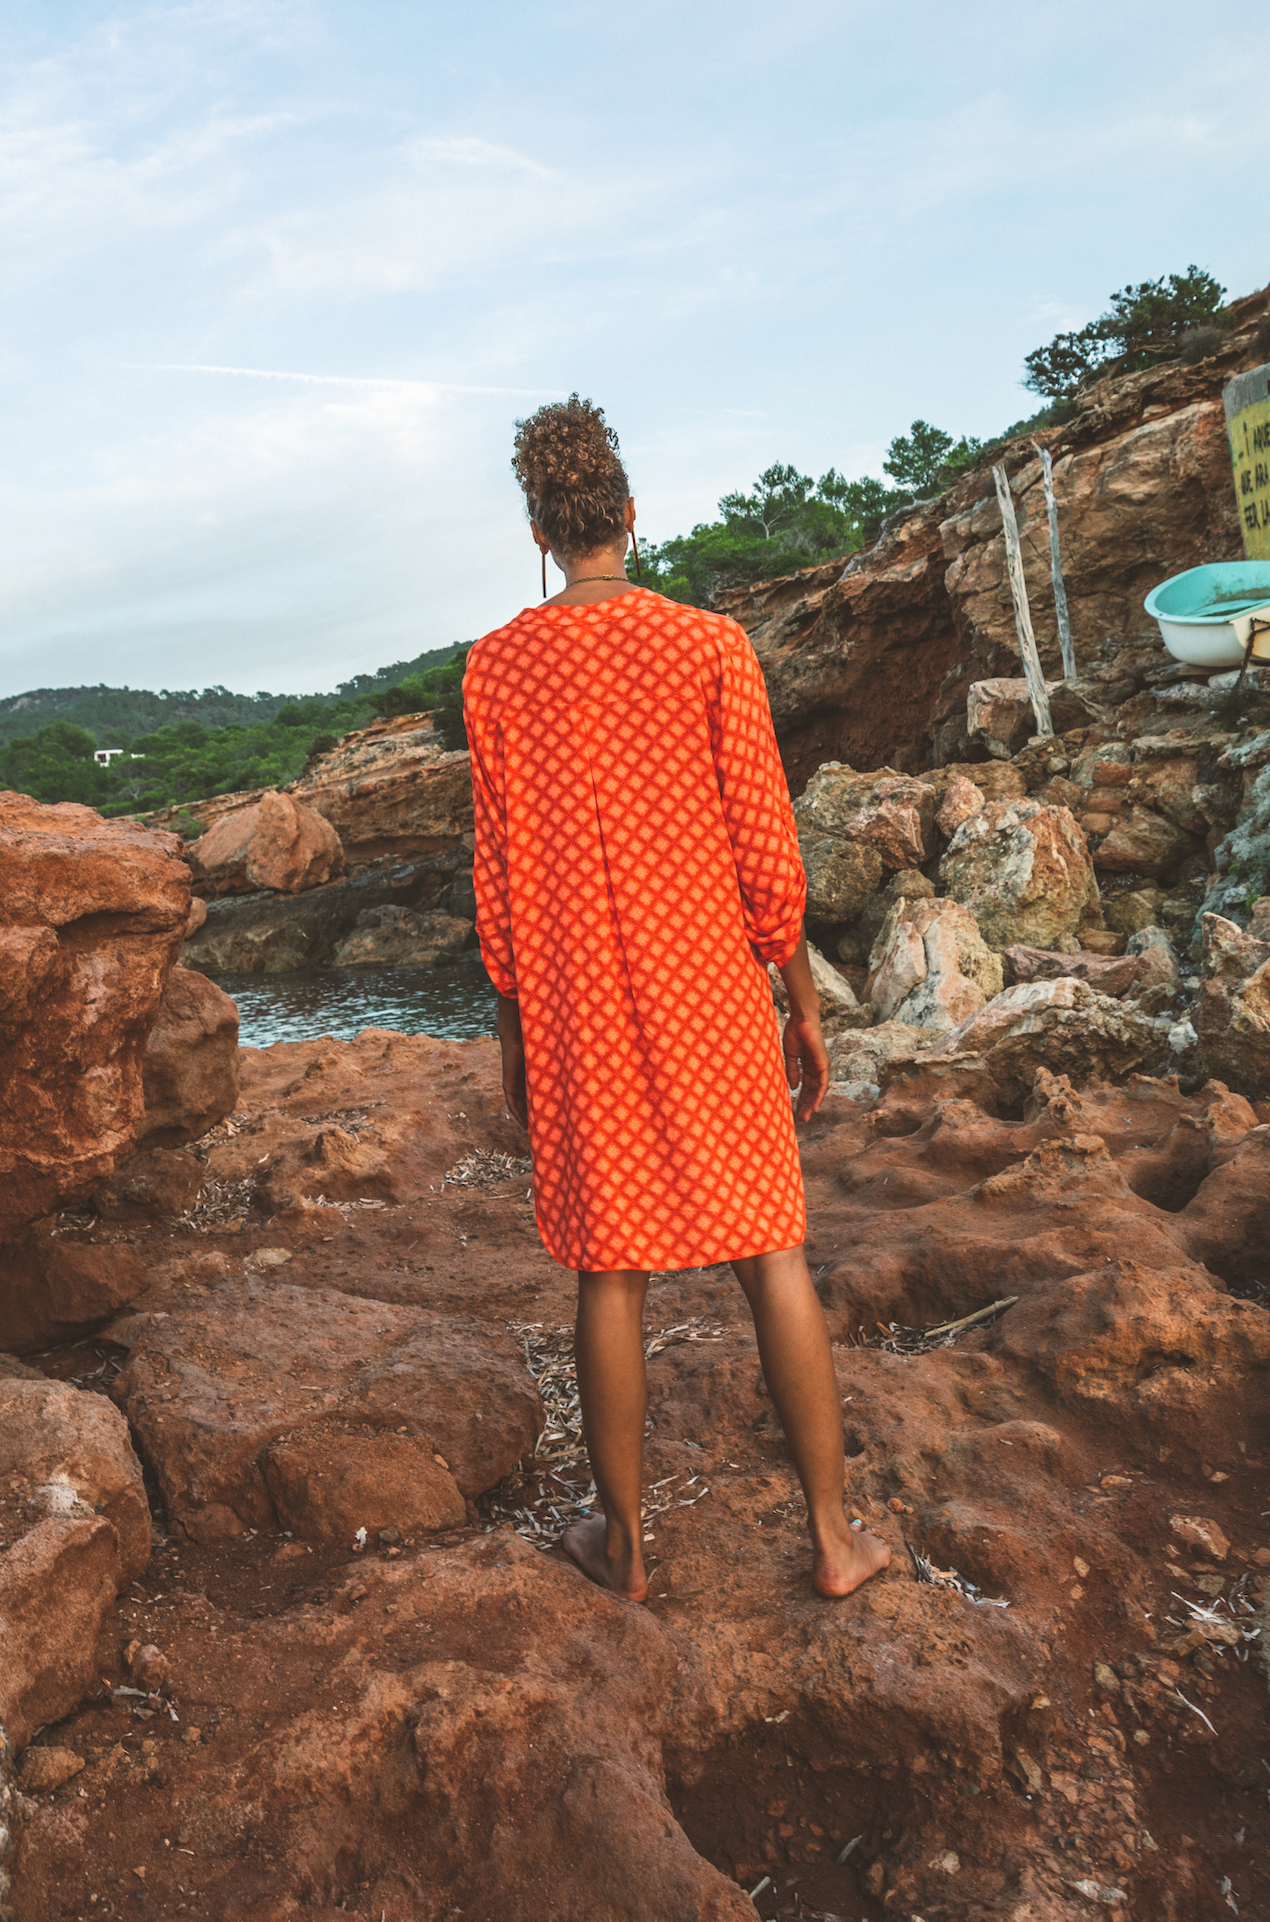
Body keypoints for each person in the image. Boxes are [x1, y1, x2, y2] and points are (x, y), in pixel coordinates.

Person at [463, 395, 889, 1605]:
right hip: (709, 985)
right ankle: (831, 1537)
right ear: (630, 517)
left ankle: (627, 1548)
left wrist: (512, 1021)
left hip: (582, 1005)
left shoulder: (497, 669)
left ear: (541, 531)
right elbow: (766, 851)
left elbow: (496, 875)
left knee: (609, 1270)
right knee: (773, 1254)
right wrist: (800, 995)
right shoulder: (709, 645)